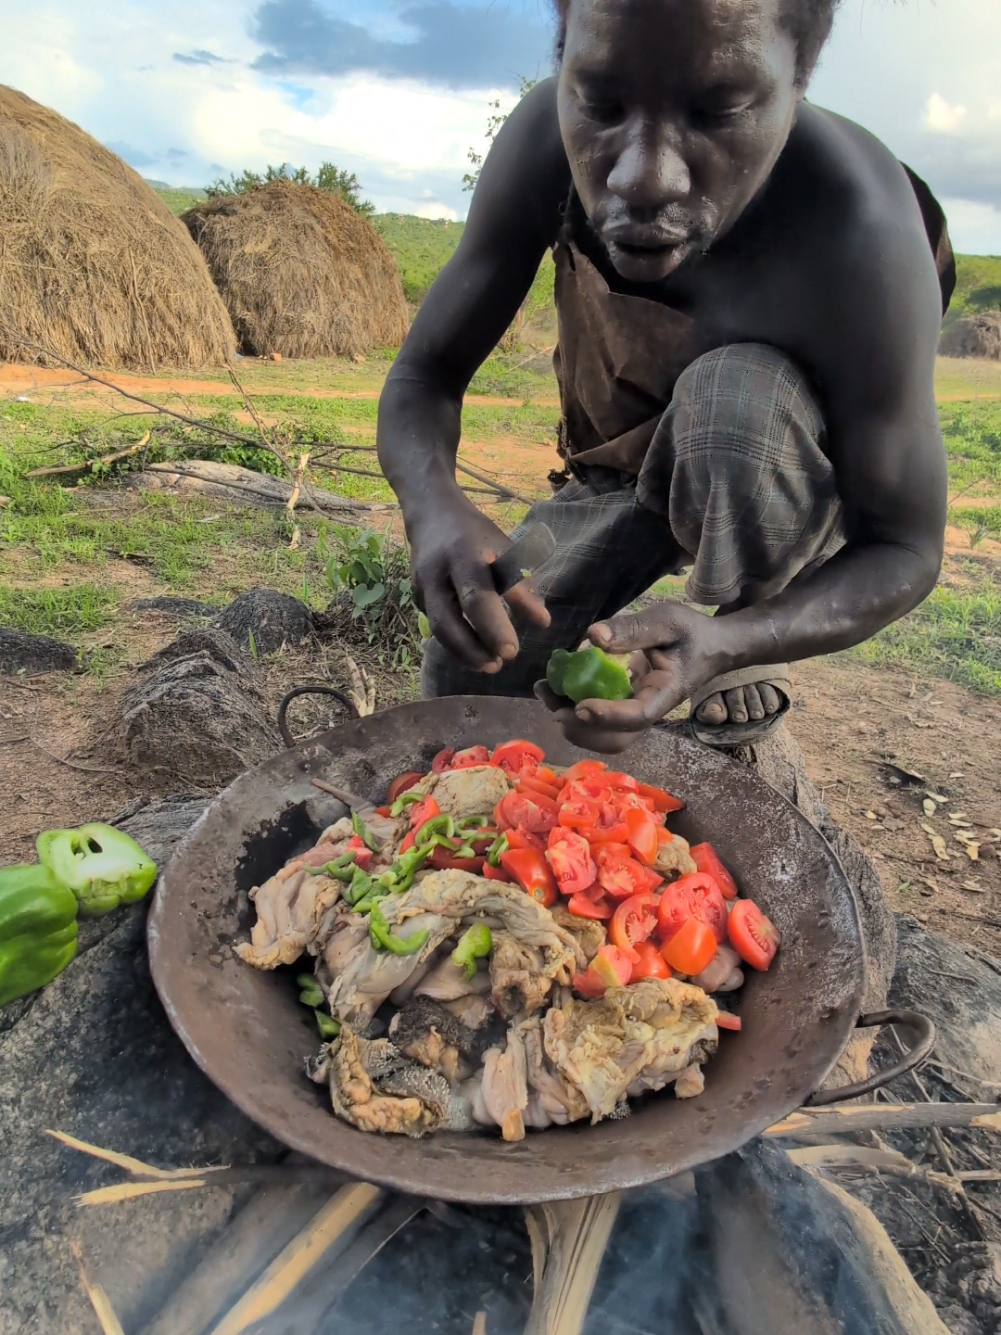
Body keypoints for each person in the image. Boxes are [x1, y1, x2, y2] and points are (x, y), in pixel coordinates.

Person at [377, 0, 954, 753]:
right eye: (602, 104)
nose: (643, 176)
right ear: (564, 58)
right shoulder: (542, 143)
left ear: (799, 78)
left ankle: (729, 621)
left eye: (717, 110)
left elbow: (904, 545)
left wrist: (734, 640)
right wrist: (433, 507)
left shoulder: (860, 225)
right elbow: (425, 375)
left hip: (768, 468)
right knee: (473, 676)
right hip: (617, 464)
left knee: (730, 404)